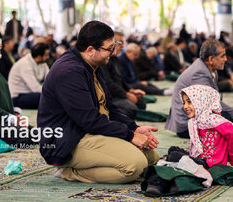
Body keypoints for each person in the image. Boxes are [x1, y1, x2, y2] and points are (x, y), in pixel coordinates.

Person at [37, 21, 159, 184]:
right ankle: (69, 172)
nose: (113, 52)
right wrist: (130, 136)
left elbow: (110, 109)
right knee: (135, 165)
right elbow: (90, 120)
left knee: (151, 157)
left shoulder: (92, 64)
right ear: (90, 50)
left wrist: (134, 128)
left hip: (89, 131)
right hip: (67, 140)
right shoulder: (68, 72)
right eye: (109, 48)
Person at [165, 39, 233, 138]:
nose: (225, 59)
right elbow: (211, 102)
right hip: (186, 125)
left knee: (228, 119)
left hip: (196, 115)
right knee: (230, 120)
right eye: (222, 56)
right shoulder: (199, 72)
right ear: (211, 59)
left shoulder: (208, 68)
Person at [181, 84, 233, 167]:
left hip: (212, 164)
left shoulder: (215, 121)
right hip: (201, 159)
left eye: (189, 102)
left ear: (202, 101)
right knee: (173, 151)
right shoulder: (196, 121)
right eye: (184, 103)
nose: (185, 106)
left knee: (176, 157)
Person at [101, 31, 146, 119]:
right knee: (131, 110)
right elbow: (109, 84)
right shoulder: (104, 60)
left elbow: (121, 80)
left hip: (119, 94)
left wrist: (131, 90)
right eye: (120, 43)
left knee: (141, 103)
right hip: (111, 97)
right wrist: (127, 95)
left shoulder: (115, 59)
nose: (122, 46)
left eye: (123, 43)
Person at [8, 43, 49, 109]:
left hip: (30, 94)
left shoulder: (43, 63)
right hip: (17, 97)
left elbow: (50, 79)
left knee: (47, 97)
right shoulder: (25, 64)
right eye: (46, 55)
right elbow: (35, 88)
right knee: (44, 97)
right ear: (39, 57)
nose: (48, 57)